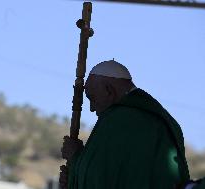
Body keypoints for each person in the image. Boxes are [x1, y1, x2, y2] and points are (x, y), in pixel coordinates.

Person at [59, 60, 205, 189]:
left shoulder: (117, 119)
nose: (91, 108)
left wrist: (75, 158)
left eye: (92, 98)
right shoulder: (161, 118)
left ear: (109, 91)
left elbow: (99, 177)